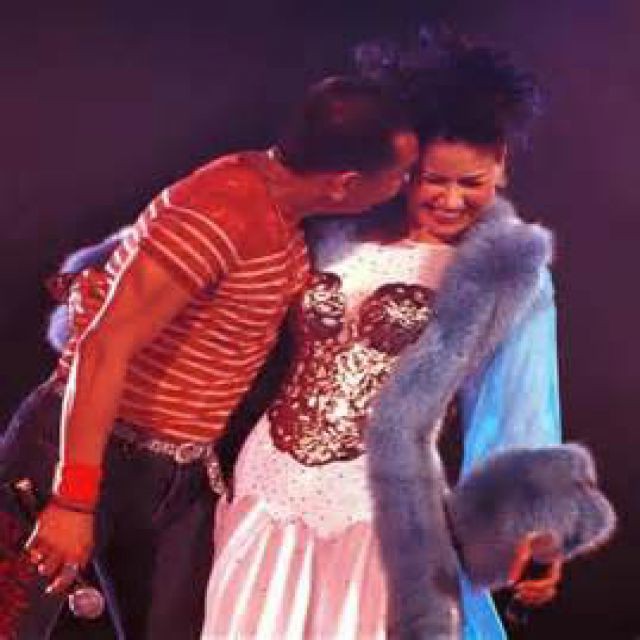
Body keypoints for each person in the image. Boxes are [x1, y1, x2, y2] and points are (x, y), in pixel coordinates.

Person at [200, 34, 614, 639]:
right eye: (431, 179)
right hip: (268, 483)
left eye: (471, 182)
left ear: (501, 162)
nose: (450, 200)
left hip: (380, 510)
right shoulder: (334, 227)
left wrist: (535, 525)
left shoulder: (505, 272)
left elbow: (519, 405)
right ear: (403, 167)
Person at [0, 76, 419, 639]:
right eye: (400, 173)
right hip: (81, 453)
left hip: (175, 474)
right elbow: (103, 346)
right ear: (345, 183)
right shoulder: (222, 209)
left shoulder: (277, 212)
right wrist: (74, 499)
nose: (406, 185)